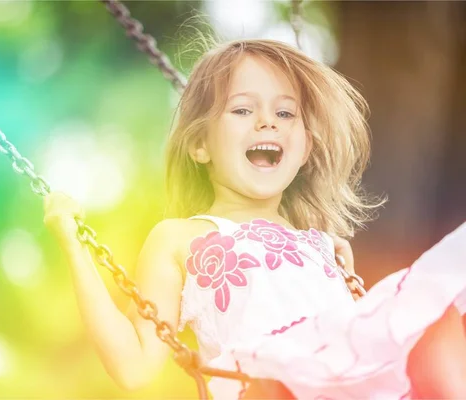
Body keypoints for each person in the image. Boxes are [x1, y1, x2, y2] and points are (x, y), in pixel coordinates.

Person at [43, 39, 466, 399]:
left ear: (304, 149)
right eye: (242, 110)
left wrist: (347, 283)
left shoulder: (321, 244)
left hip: (344, 383)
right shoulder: (180, 238)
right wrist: (73, 244)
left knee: (437, 314)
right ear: (199, 146)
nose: (267, 120)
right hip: (264, 385)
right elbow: (134, 368)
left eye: (285, 114)